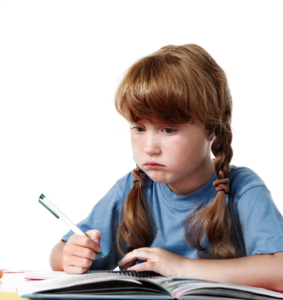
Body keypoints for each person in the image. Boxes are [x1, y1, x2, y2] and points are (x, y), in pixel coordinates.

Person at [49, 44, 283, 290]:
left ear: (211, 128)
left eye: (168, 129)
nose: (150, 147)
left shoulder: (243, 189)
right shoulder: (132, 187)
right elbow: (59, 254)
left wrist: (180, 267)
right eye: (139, 128)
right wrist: (71, 254)